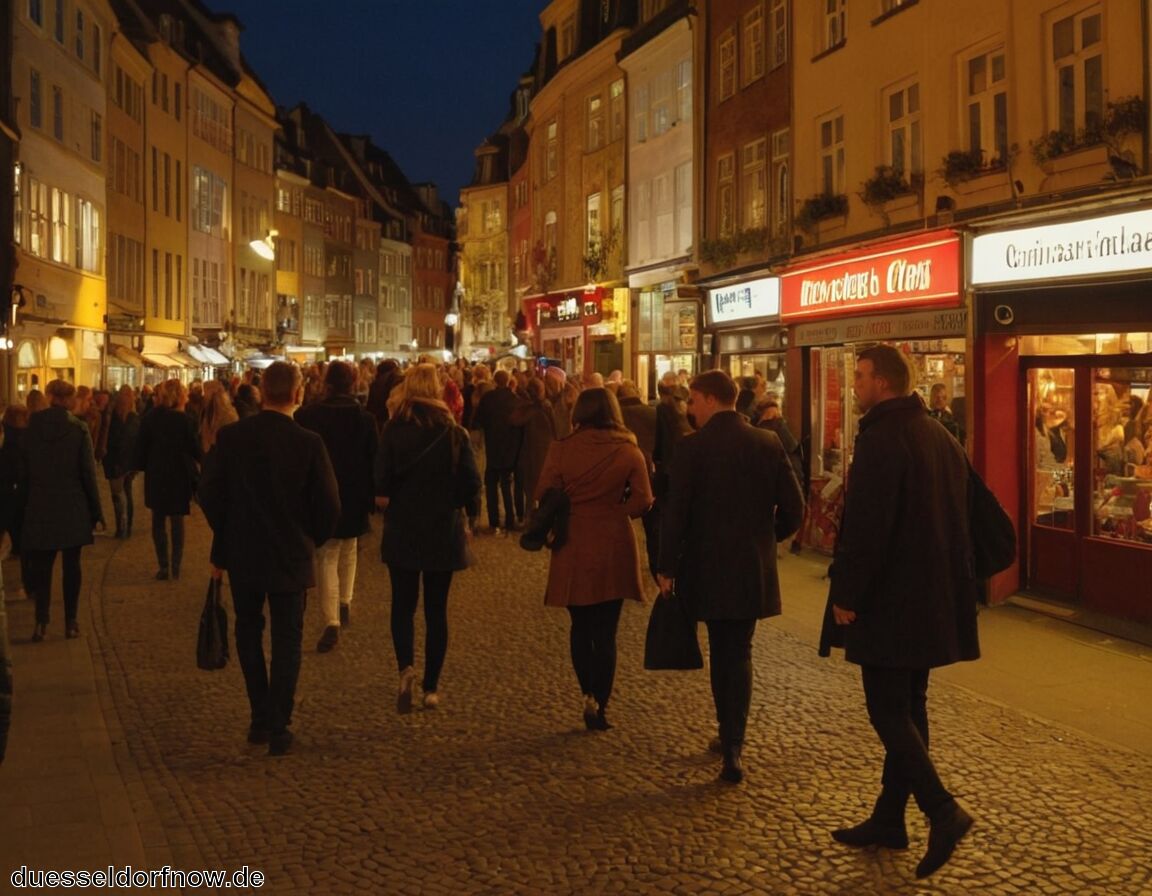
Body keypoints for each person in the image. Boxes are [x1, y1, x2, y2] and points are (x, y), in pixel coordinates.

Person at [818, 344, 978, 880]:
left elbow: (869, 527)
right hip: (931, 600)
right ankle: (890, 818)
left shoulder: (885, 438)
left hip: (892, 602)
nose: (855, 385)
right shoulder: (938, 435)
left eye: (861, 377)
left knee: (888, 710)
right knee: (910, 708)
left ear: (883, 382)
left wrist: (848, 595)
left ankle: (941, 810)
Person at [656, 370, 804, 784]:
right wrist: (766, 539)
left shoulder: (691, 449)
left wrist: (666, 567)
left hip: (706, 567)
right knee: (738, 651)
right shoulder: (766, 442)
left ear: (708, 399)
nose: (689, 409)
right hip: (750, 568)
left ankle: (730, 740)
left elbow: (676, 514)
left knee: (724, 652)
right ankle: (733, 740)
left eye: (692, 401)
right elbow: (795, 508)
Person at [199, 362, 340, 756]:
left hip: (243, 552)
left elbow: (209, 492)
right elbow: (329, 505)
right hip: (290, 554)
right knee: (286, 639)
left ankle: (260, 714)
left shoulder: (231, 438)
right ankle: (279, 723)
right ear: (297, 394)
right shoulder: (308, 443)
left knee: (248, 631)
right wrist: (310, 537)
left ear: (261, 392)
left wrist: (226, 533)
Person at [536, 388, 653, 731]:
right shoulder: (628, 450)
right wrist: (618, 512)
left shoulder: (561, 448)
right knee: (606, 630)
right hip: (613, 541)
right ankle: (600, 703)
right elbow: (645, 499)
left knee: (580, 624)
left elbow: (542, 492)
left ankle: (587, 690)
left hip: (573, 540)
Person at [375, 364, 480, 712]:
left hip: (404, 526)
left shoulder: (393, 430)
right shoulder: (453, 432)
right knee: (437, 610)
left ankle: (405, 667)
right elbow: (470, 483)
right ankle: (431, 687)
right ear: (437, 391)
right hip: (441, 529)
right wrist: (460, 508)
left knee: (402, 606)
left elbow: (381, 482)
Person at [295, 361, 378, 653]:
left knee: (327, 554)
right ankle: (345, 602)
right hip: (355, 493)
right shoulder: (365, 420)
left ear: (326, 384)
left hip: (322, 493)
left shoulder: (308, 415)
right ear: (353, 383)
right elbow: (373, 460)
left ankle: (332, 621)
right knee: (350, 547)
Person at [19, 380, 105, 641]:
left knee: (43, 567)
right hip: (72, 505)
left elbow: (23, 471)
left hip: (40, 504)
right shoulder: (77, 429)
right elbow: (88, 474)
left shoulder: (31, 427)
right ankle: (70, 622)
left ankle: (41, 622)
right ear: (68, 400)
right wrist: (96, 510)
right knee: (72, 567)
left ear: (48, 397)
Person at [134, 379, 201, 580]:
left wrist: (142, 466)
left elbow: (141, 448)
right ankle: (175, 566)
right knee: (177, 521)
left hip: (157, 474)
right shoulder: (185, 420)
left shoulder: (150, 418)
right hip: (178, 474)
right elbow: (194, 449)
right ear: (179, 396)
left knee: (158, 520)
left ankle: (163, 565)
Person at [473, 368, 521, 535]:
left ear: (495, 381)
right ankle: (509, 519)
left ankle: (494, 520)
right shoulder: (515, 399)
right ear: (508, 382)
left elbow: (478, 420)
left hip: (492, 446)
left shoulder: (488, 398)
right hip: (509, 447)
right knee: (507, 484)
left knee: (491, 484)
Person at [510, 377, 556, 515]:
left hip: (529, 453)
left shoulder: (527, 409)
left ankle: (531, 518)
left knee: (530, 490)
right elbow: (556, 429)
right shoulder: (546, 407)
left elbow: (514, 421)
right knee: (543, 489)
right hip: (544, 453)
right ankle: (542, 518)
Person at [102, 386, 140, 538]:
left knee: (117, 494)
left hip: (115, 461)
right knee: (128, 492)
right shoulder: (134, 418)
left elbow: (111, 440)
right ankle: (127, 526)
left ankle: (121, 527)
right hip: (129, 462)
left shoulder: (112, 417)